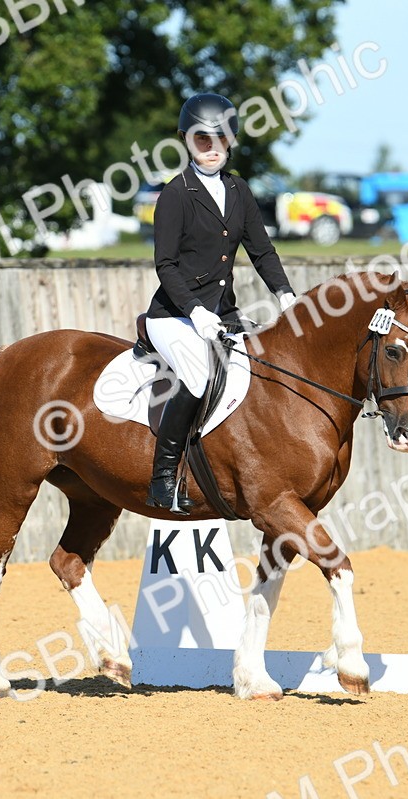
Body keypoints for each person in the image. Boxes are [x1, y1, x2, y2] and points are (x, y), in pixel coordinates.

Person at [144, 92, 297, 513]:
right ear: (187, 141)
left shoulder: (238, 190)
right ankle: (162, 479)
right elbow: (166, 265)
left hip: (224, 314)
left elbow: (262, 251)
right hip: (175, 315)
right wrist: (195, 311)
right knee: (196, 377)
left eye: (219, 139)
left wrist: (285, 295)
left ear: (230, 141)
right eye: (201, 140)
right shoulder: (176, 195)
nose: (211, 149)